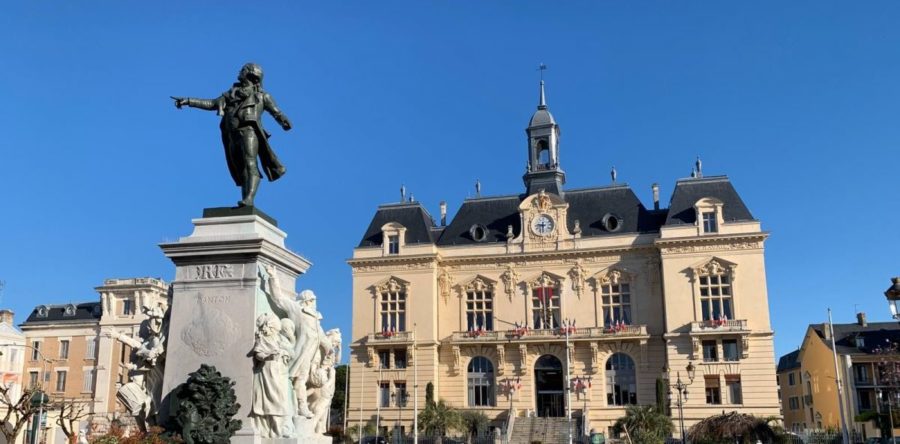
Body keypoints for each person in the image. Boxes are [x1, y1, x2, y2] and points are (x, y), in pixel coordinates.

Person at [172, 63, 293, 207]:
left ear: (251, 74)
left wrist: (284, 121)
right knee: (240, 169)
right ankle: (245, 200)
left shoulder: (262, 96)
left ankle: (249, 199)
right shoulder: (231, 94)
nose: (240, 71)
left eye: (243, 70)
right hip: (231, 135)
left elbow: (276, 112)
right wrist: (189, 101)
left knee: (250, 163)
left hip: (249, 132)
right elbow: (211, 103)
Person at [264, 264, 332, 419]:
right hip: (300, 351)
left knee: (303, 380)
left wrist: (328, 347)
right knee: (297, 378)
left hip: (312, 354)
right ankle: (298, 406)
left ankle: (299, 405)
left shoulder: (315, 317)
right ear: (307, 301)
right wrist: (273, 277)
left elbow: (319, 335)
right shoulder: (296, 309)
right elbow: (279, 298)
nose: (315, 302)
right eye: (313, 300)